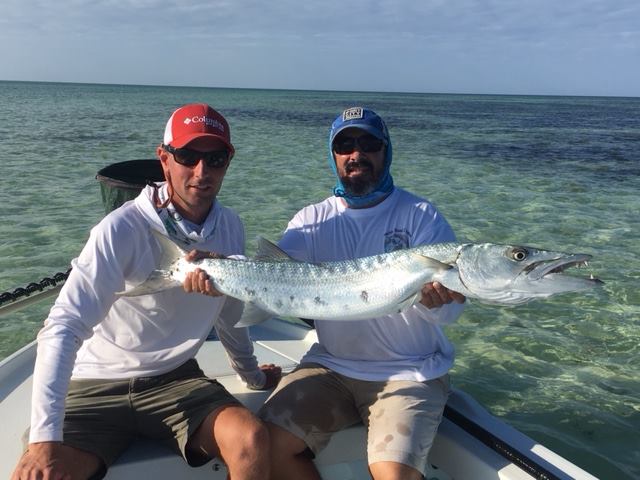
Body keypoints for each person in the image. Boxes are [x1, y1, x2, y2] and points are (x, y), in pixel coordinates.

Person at [11, 103, 281, 480]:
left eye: (215, 158)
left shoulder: (230, 226)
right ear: (164, 158)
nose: (202, 172)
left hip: (176, 379)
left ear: (228, 161)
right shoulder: (120, 228)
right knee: (41, 474)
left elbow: (230, 316)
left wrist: (251, 375)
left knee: (252, 438)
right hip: (95, 384)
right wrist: (44, 439)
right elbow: (63, 326)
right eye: (187, 156)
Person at [259, 107, 466, 480]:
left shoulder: (420, 215)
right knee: (264, 447)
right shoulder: (311, 220)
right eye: (345, 145)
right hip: (330, 367)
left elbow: (450, 314)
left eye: (369, 143)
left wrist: (439, 304)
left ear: (386, 151)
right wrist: (216, 270)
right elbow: (272, 276)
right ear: (333, 155)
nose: (357, 154)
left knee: (391, 474)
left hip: (411, 371)